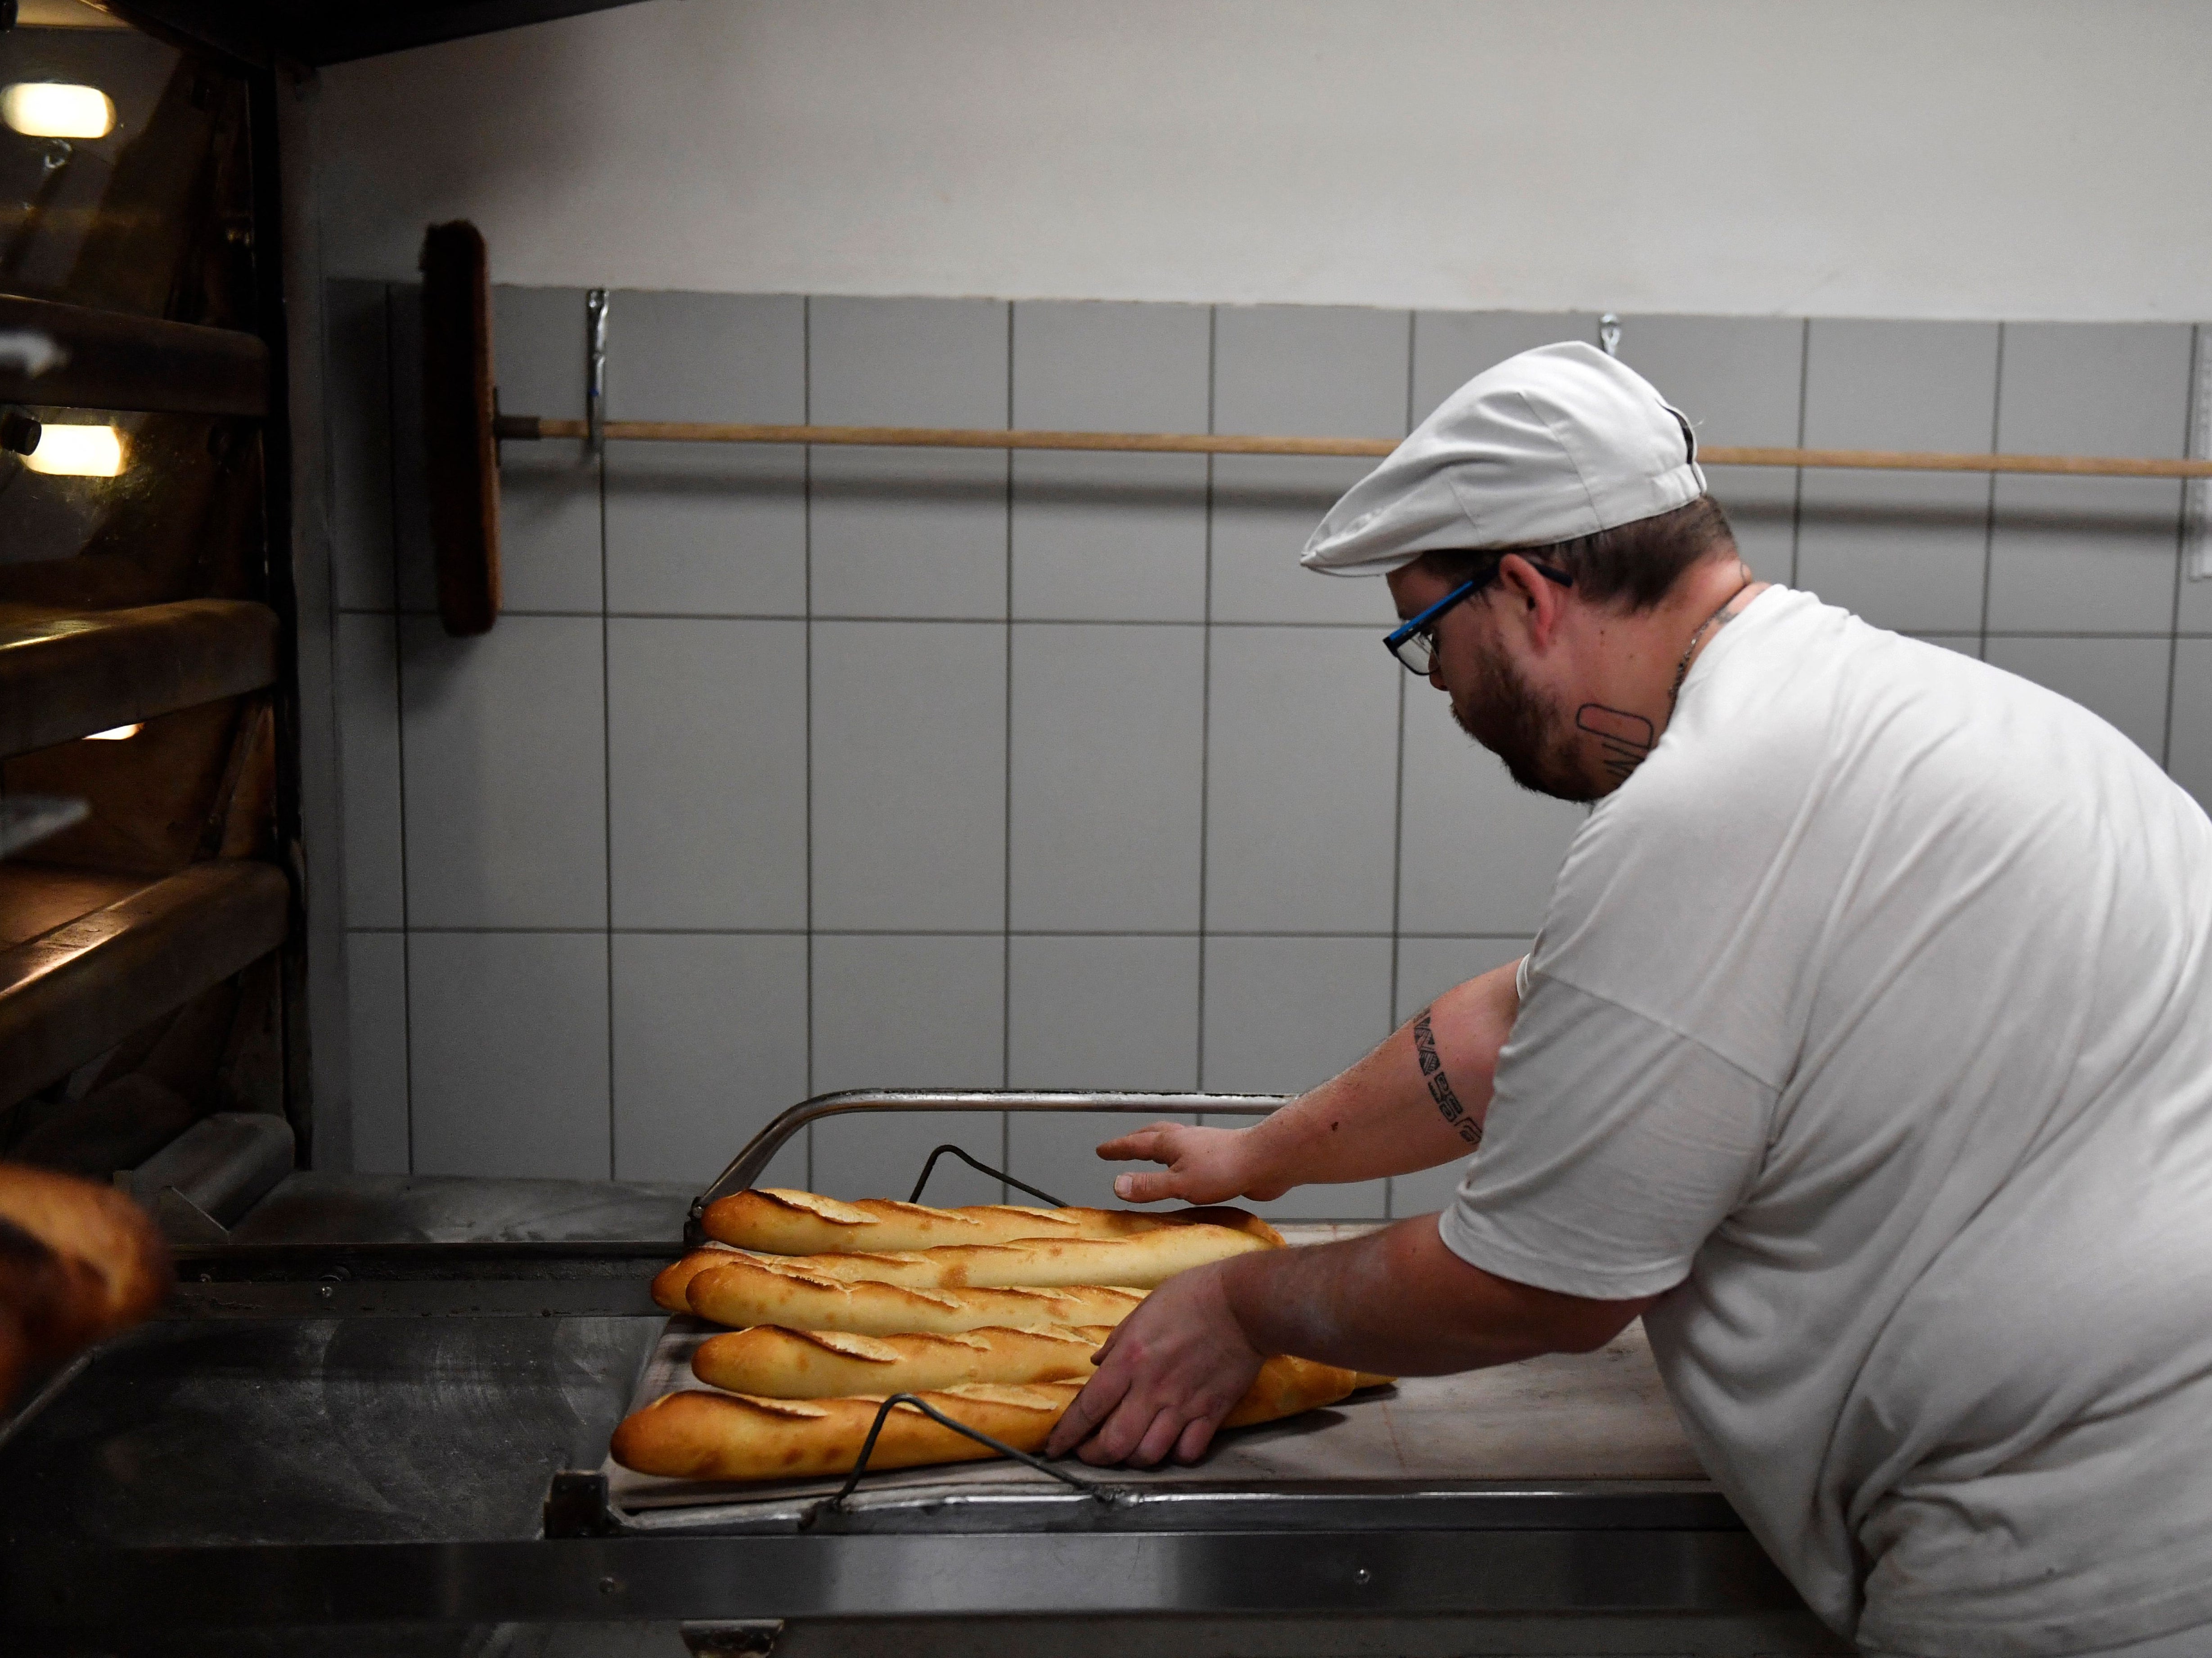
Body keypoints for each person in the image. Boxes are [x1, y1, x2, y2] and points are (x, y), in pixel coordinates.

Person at [1044, 343, 2212, 1657]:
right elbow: (1522, 1026)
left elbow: (1543, 1287)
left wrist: (1242, 1307)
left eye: (1431, 643)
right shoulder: (1914, 716)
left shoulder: (1712, 801)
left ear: (1530, 591)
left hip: (2089, 1545)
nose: (1446, 697)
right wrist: (1257, 1156)